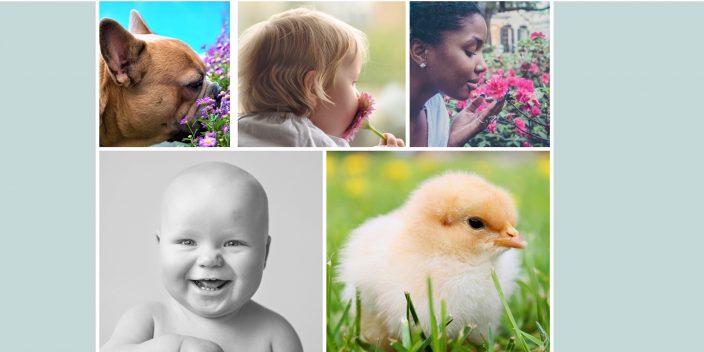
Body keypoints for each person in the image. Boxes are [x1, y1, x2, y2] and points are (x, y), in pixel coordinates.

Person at [101, 162, 303, 352]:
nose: (209, 259)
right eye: (187, 242)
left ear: (265, 253)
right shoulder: (149, 320)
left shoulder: (276, 334)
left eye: (233, 243)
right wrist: (175, 346)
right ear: (160, 246)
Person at [238, 8, 404, 147]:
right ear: (312, 88)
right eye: (353, 82)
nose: (358, 96)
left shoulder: (240, 128)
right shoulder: (307, 140)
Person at [409, 2, 504, 147]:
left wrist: (449, 144)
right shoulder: (387, 115)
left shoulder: (437, 112)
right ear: (420, 51)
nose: (483, 66)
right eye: (471, 51)